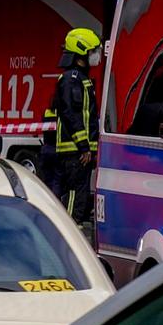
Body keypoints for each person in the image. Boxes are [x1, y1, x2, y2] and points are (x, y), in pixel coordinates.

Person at [43, 27, 102, 226]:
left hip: (80, 152)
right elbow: (71, 114)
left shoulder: (81, 79)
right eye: (93, 51)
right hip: (75, 152)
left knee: (80, 197)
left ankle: (72, 229)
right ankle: (67, 232)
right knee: (74, 196)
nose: (96, 56)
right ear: (81, 52)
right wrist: (84, 146)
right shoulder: (71, 79)